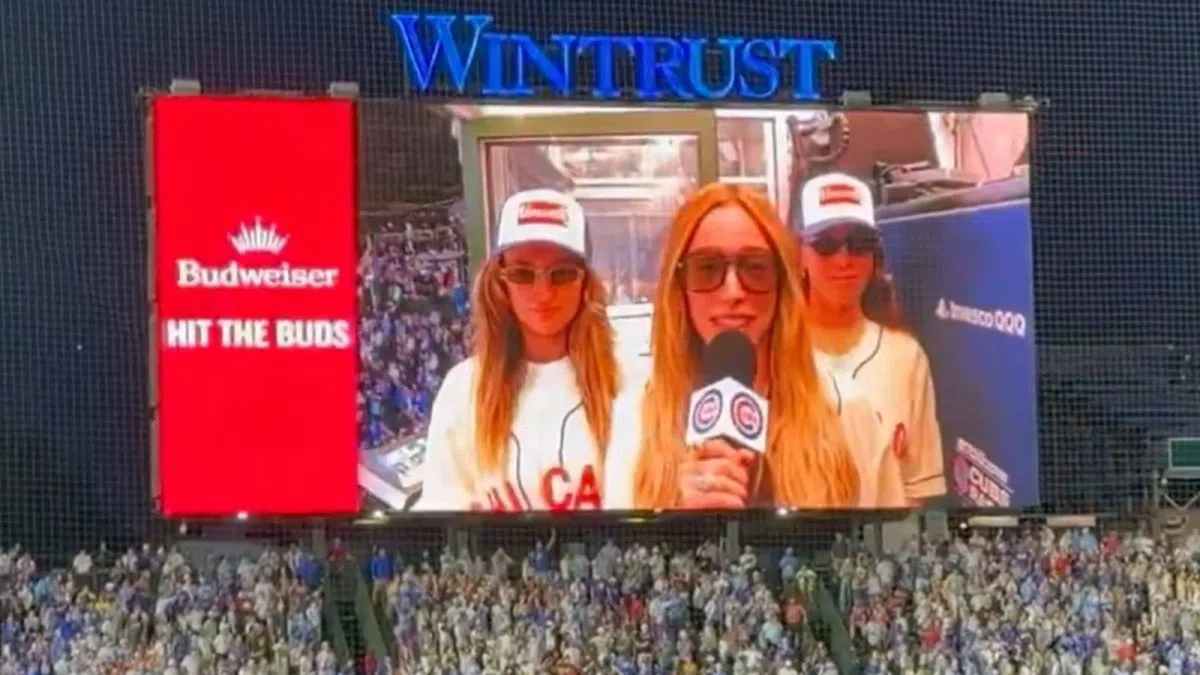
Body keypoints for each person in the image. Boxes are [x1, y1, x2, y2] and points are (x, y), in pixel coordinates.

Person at [605, 182, 859, 510]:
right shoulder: (634, 418)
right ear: (678, 285)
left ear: (782, 282)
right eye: (707, 268)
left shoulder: (848, 409)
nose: (732, 291)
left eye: (755, 268)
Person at [415, 189, 639, 512]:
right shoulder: (464, 388)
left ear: (585, 282)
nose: (543, 292)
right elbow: (442, 514)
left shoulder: (628, 381)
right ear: (500, 282)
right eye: (522, 273)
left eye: (561, 273)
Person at [796, 172, 946, 507]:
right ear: (800, 255)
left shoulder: (905, 357)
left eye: (859, 243)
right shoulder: (772, 352)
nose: (844, 259)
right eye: (825, 244)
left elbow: (918, 490)